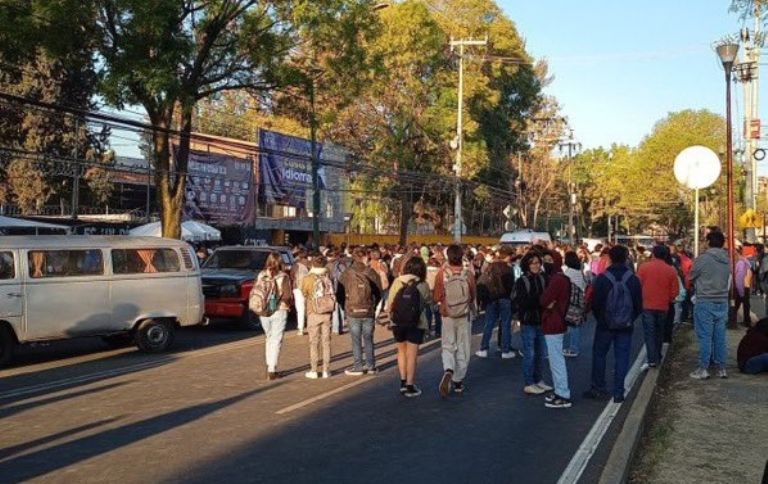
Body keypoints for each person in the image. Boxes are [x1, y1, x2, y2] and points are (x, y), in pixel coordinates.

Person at [584, 245, 642, 403]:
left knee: (599, 355)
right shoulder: (633, 279)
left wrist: (601, 318)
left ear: (610, 257)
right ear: (626, 257)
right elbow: (638, 304)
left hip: (605, 324)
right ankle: (618, 391)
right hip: (626, 324)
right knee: (622, 357)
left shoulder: (602, 278)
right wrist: (630, 318)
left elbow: (595, 303)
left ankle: (598, 387)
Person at [433, 244, 476, 397]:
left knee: (448, 345)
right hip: (464, 315)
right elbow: (473, 295)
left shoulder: (442, 274)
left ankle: (449, 369)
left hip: (447, 315)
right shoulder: (468, 274)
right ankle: (458, 381)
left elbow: (437, 296)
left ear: (448, 257)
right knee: (463, 347)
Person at [387, 256, 433, 398]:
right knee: (412, 354)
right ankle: (410, 384)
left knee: (401, 351)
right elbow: (429, 301)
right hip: (416, 322)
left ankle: (402, 381)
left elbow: (390, 303)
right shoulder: (423, 284)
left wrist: (391, 319)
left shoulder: (397, 281)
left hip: (398, 322)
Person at [690, 230, 731, 380]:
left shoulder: (703, 259)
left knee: (705, 336)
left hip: (705, 301)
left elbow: (691, 276)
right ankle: (721, 368)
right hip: (722, 301)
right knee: (720, 336)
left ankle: (703, 368)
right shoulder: (727, 259)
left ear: (708, 242)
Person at [339, 247, 382, 376]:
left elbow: (339, 293)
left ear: (353, 257)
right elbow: (379, 292)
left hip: (352, 310)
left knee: (356, 339)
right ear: (365, 257)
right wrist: (373, 306)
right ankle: (371, 366)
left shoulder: (346, 273)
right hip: (368, 310)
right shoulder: (371, 272)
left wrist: (344, 306)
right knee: (368, 338)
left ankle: (358, 366)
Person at [513, 251, 551, 395]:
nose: (536, 265)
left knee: (541, 352)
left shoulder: (543, 278)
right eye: (532, 263)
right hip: (528, 320)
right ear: (527, 265)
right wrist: (542, 301)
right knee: (530, 352)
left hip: (541, 319)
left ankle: (538, 379)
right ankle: (529, 382)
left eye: (537, 262)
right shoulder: (522, 281)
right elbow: (523, 302)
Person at [636, 245, 679, 371]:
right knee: (659, 332)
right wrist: (669, 298)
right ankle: (657, 356)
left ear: (653, 254)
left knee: (650, 333)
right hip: (663, 306)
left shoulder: (644, 268)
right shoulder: (670, 270)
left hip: (647, 305)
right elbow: (675, 290)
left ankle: (652, 360)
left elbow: (637, 285)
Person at [540, 256, 572, 408]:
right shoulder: (561, 278)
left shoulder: (556, 280)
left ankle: (562, 393)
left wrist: (548, 303)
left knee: (556, 360)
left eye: (549, 260)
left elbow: (544, 300)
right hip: (558, 321)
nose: (546, 263)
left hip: (554, 322)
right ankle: (560, 390)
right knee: (555, 359)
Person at [257, 251, 293, 380]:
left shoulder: (261, 275)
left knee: (269, 337)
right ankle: (272, 369)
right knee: (276, 340)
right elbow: (288, 296)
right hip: (279, 310)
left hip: (264, 311)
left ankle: (268, 365)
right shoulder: (283, 276)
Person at [476, 245, 516, 359]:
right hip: (505, 298)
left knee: (489, 323)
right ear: (508, 256)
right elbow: (511, 286)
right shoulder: (509, 268)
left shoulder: (490, 266)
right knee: (505, 323)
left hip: (491, 298)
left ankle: (483, 348)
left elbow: (482, 282)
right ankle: (505, 350)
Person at [301, 256, 335, 379]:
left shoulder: (308, 278)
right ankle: (326, 370)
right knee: (326, 342)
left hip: (313, 312)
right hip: (327, 312)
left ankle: (314, 370)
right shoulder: (328, 276)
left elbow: (304, 292)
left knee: (314, 342)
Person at [562, 251, 588, 358]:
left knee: (572, 325)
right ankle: (574, 347)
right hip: (580, 299)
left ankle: (573, 348)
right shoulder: (579, 270)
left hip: (572, 301)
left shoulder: (569, 272)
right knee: (575, 324)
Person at [291, 249, 310, 336]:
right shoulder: (310, 264)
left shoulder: (296, 265)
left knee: (300, 309)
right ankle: (310, 326)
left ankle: (301, 328)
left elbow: (292, 275)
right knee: (309, 308)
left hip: (298, 288)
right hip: (309, 288)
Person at [733, 246, 753, 327]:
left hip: (742, 287)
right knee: (745, 305)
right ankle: (746, 322)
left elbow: (739, 277)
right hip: (744, 287)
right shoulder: (745, 262)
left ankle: (744, 322)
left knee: (742, 305)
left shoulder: (741, 263)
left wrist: (740, 290)